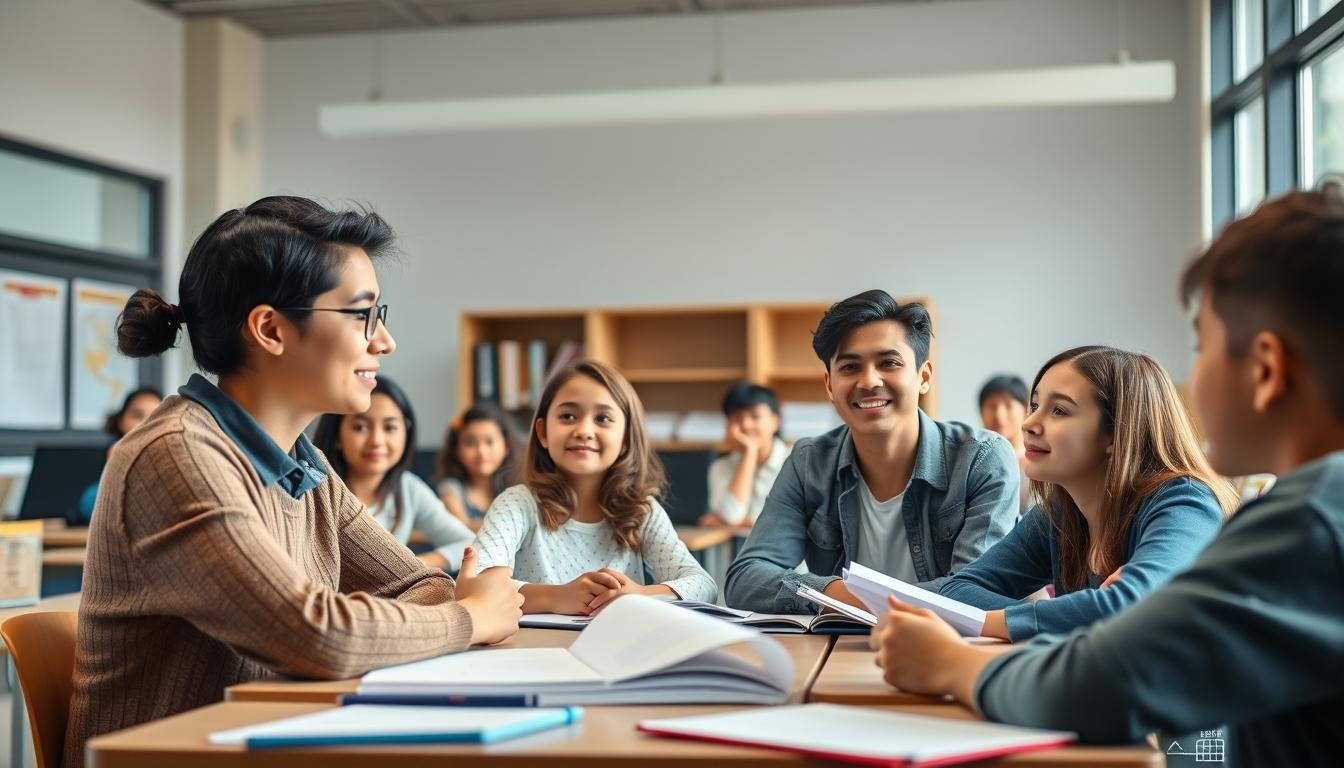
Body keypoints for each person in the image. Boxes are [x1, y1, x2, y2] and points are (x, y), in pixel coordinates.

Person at [870, 185, 1344, 768]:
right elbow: (989, 596)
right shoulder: (1063, 513)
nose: (1032, 424)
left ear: (1266, 370)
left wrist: (949, 662)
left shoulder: (1311, 518)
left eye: (1202, 347)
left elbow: (1109, 676)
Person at [64, 196, 522, 767]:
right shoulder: (176, 455)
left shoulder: (300, 463)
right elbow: (318, 637)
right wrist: (469, 620)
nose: (384, 342)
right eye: (363, 315)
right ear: (271, 329)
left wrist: (399, 622)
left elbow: (417, 586)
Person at [724, 290, 1019, 614]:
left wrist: (838, 598)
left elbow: (973, 592)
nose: (869, 381)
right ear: (829, 386)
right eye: (850, 367)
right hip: (839, 647)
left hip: (946, 650)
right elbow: (745, 579)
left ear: (923, 377)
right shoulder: (808, 462)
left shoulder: (981, 459)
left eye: (888, 363)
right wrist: (836, 593)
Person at [940, 347, 1236, 641]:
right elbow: (957, 590)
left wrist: (1060, 617)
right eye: (1034, 406)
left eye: (1059, 410)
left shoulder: (1187, 503)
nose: (1028, 424)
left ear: (1114, 433)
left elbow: (1134, 608)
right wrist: (1074, 615)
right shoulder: (1060, 511)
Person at [472, 360, 718, 614]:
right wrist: (556, 598)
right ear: (543, 433)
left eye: (602, 418)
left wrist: (641, 594)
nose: (584, 430)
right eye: (568, 416)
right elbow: (477, 587)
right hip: (534, 649)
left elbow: (704, 586)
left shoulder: (642, 510)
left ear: (625, 439)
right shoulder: (517, 504)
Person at [313, 376, 474, 570]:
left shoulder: (407, 488)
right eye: (361, 427)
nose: (377, 440)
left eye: (390, 427)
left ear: (406, 433)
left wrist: (414, 566)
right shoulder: (314, 489)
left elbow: (469, 543)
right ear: (337, 436)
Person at [698, 380, 791, 530]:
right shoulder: (720, 467)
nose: (746, 425)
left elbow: (792, 524)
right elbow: (730, 515)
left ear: (775, 421)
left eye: (755, 416)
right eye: (737, 417)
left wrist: (742, 523)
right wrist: (749, 453)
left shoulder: (797, 461)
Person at [78, 386, 163, 522]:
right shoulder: (111, 456)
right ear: (121, 421)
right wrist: (115, 472)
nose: (146, 424)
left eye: (154, 417)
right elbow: (88, 508)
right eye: (137, 415)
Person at [434, 403, 520, 531]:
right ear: (456, 450)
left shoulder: (517, 488)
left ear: (506, 446)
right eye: (470, 443)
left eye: (489, 442)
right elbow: (461, 527)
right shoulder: (451, 489)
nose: (481, 452)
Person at [978, 374, 1031, 511]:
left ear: (1026, 410)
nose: (999, 415)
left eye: (1008, 406)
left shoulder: (1039, 462)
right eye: (992, 406)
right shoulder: (974, 462)